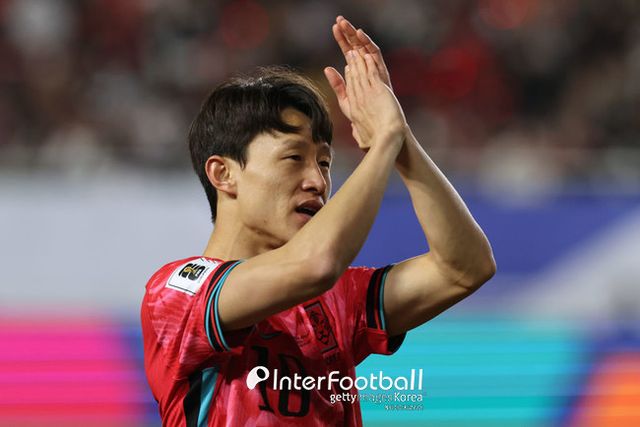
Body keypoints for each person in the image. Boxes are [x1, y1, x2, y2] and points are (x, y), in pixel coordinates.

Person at [141, 16, 495, 427]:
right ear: (224, 174)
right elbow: (316, 264)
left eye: (324, 162)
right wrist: (384, 142)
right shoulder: (177, 296)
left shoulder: (336, 300)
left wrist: (402, 142)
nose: (318, 181)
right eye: (294, 158)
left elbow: (465, 268)